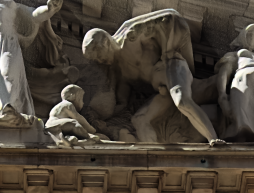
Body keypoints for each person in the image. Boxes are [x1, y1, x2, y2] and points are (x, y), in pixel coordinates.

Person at [81, 9, 218, 145]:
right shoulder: (120, 71)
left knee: (182, 101)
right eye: (96, 59)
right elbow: (122, 102)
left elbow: (172, 18)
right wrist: (99, 120)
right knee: (139, 120)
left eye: (98, 55)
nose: (100, 61)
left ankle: (213, 138)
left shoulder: (131, 37)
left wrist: (168, 53)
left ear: (106, 42)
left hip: (171, 68)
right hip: (162, 90)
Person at [43, 84, 109, 143]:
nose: (83, 103)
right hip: (52, 124)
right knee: (74, 123)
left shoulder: (62, 105)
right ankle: (88, 136)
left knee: (71, 126)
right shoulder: (67, 104)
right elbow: (78, 118)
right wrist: (91, 130)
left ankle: (69, 138)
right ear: (72, 96)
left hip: (54, 125)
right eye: (81, 99)